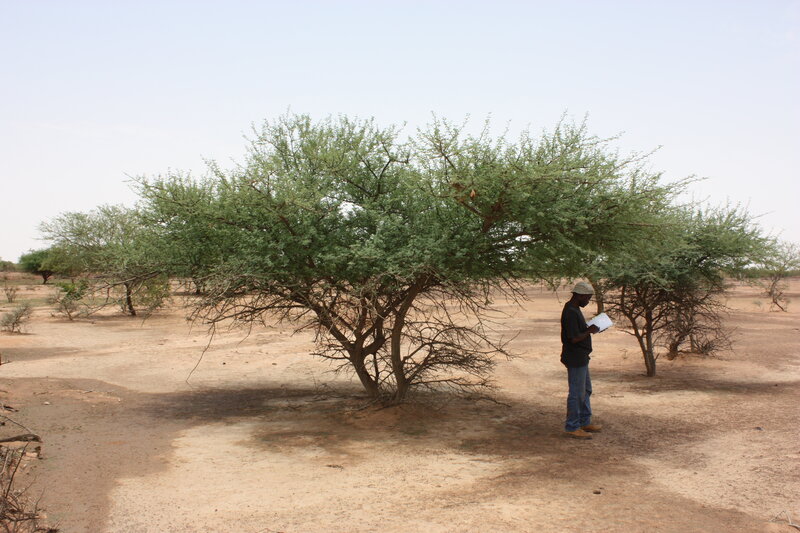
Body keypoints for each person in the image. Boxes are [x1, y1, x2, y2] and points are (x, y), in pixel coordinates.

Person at [560, 281, 602, 439]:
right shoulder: (571, 312)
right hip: (575, 357)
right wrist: (589, 330)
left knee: (585, 390)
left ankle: (584, 421)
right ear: (580, 295)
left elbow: (577, 332)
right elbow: (574, 338)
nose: (588, 301)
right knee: (577, 393)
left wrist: (589, 329)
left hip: (581, 356)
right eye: (587, 298)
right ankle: (572, 426)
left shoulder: (574, 308)